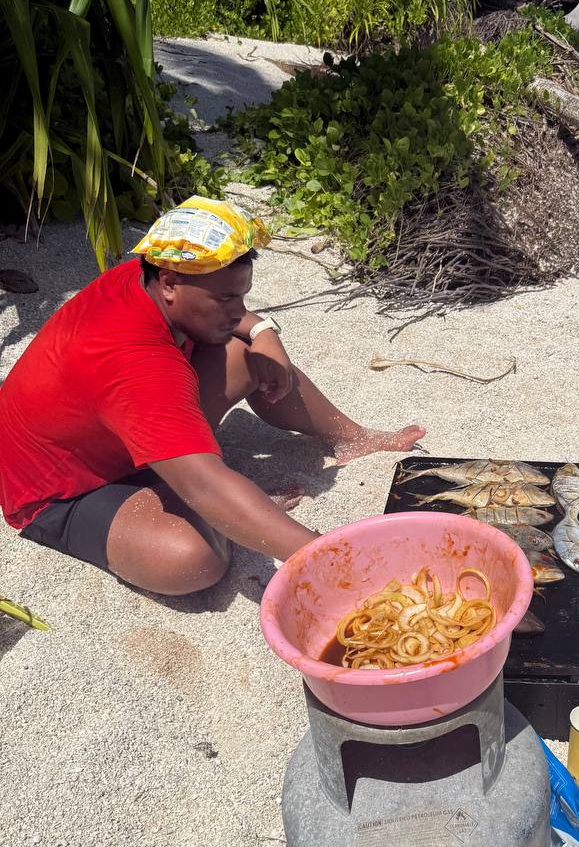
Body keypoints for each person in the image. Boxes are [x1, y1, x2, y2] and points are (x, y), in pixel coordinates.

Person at [0, 198, 425, 596]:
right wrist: (338, 561)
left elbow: (242, 325)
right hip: (61, 489)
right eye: (225, 298)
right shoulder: (138, 365)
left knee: (244, 351)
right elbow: (204, 485)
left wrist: (263, 332)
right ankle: (232, 511)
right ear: (169, 283)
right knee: (193, 560)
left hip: (117, 427)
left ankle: (348, 437)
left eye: (241, 295)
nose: (238, 310)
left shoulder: (143, 274)